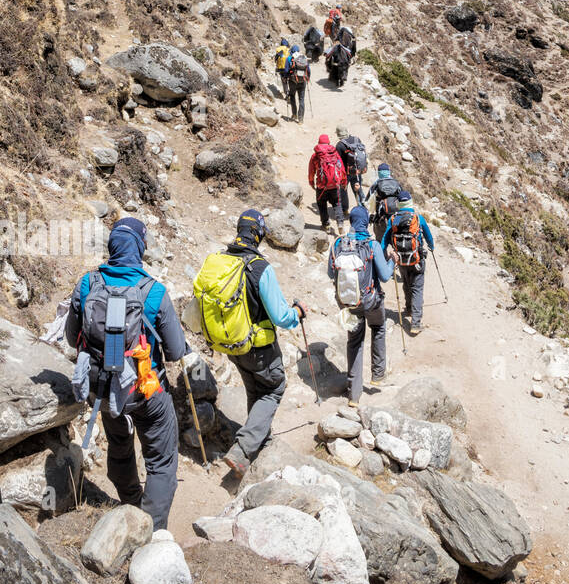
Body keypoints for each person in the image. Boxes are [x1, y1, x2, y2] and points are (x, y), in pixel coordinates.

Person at [65, 217, 186, 529]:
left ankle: (130, 504)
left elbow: (70, 337)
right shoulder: (154, 292)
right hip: (145, 390)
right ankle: (150, 529)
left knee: (120, 447)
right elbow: (174, 351)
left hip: (103, 389)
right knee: (160, 462)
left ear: (112, 247)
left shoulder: (88, 284)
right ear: (141, 248)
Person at [205, 210, 305, 479]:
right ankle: (243, 450)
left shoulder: (219, 260)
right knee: (273, 389)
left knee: (254, 389)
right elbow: (281, 317)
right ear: (259, 234)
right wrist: (298, 312)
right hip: (259, 346)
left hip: (231, 345)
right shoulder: (260, 267)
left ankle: (259, 440)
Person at [328, 206, 392, 405]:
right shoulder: (371, 245)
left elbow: (331, 274)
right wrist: (392, 261)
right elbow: (385, 276)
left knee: (354, 342)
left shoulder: (338, 243)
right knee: (378, 327)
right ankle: (377, 374)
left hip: (348, 303)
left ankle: (354, 395)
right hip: (370, 300)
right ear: (366, 222)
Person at [381, 190, 436, 336]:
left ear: (399, 204)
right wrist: (431, 246)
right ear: (410, 202)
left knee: (406, 283)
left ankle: (409, 308)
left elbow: (385, 239)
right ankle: (415, 323)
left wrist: (383, 255)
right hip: (416, 259)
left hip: (401, 259)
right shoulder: (417, 218)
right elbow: (428, 236)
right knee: (417, 288)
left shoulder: (393, 219)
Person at [308, 133, 349, 234]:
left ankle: (326, 225)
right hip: (335, 184)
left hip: (321, 186)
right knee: (337, 204)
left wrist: (311, 182)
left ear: (319, 143)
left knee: (321, 204)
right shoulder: (334, 154)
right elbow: (342, 168)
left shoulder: (316, 155)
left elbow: (311, 170)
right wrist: (343, 182)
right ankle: (340, 223)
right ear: (329, 142)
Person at [335, 129, 368, 207]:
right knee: (357, 189)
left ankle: (345, 209)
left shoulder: (339, 145)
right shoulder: (357, 139)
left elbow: (338, 162)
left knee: (343, 190)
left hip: (346, 173)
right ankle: (362, 208)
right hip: (357, 170)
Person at [286, 46, 311, 123]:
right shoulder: (303, 58)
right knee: (301, 99)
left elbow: (286, 70)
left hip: (292, 81)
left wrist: (286, 77)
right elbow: (308, 70)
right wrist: (307, 78)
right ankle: (301, 119)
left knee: (292, 96)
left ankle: (294, 114)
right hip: (302, 82)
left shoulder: (289, 58)